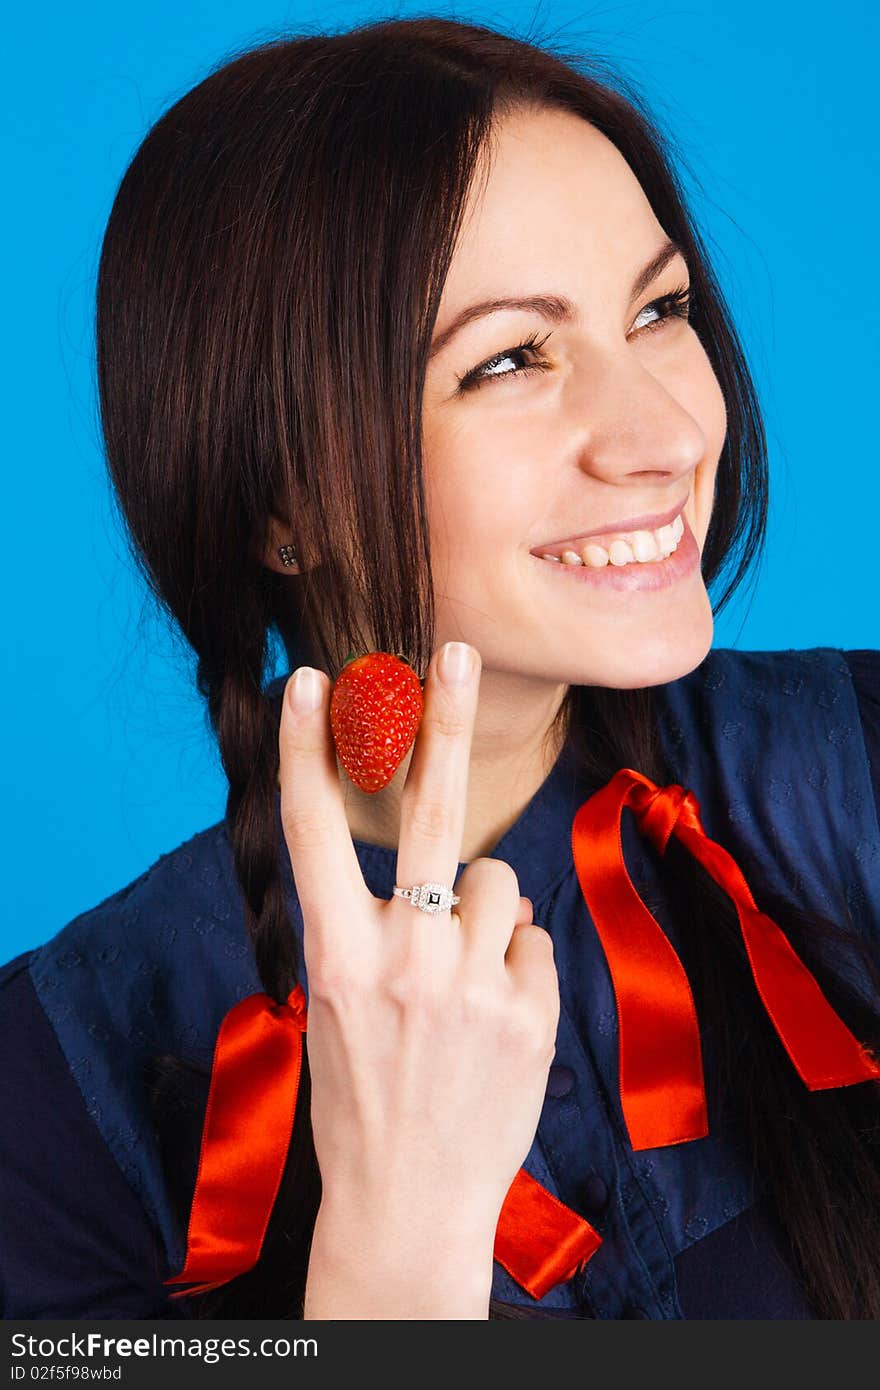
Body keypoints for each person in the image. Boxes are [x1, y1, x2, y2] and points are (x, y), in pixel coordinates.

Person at [2, 15, 879, 1321]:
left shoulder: (845, 764)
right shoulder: (58, 1083)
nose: (660, 433)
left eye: (660, 309)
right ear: (278, 503)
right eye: (511, 358)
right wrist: (394, 1249)